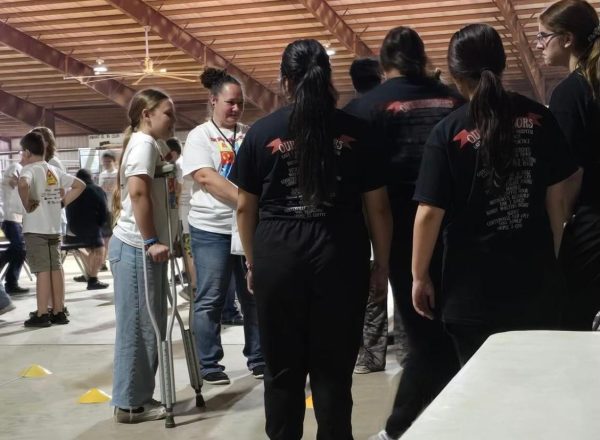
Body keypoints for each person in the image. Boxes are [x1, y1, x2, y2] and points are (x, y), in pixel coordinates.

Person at [231, 39, 392, 440]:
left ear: (286, 81)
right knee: (333, 371)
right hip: (340, 255)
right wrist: (382, 266)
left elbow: (244, 209)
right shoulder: (357, 132)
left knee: (282, 370)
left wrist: (254, 263)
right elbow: (379, 209)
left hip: (277, 255)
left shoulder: (261, 133)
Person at [412, 24, 579, 367]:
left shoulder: (448, 131)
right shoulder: (540, 118)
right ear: (501, 66)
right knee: (535, 388)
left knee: (481, 398)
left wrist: (419, 276)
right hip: (536, 287)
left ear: (456, 75)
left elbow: (429, 212)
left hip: (471, 294)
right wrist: (552, 254)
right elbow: (557, 199)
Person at [344, 27, 463, 440]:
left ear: (383, 62)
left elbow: (357, 183)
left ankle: (399, 427)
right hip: (460, 231)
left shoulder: (366, 109)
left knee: (426, 337)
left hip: (400, 232)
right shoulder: (455, 100)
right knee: (451, 331)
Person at [181, 67, 264, 385]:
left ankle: (258, 357)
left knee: (253, 295)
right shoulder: (199, 136)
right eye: (230, 102)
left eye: (240, 103)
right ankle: (209, 362)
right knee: (210, 296)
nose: (235, 109)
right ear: (213, 101)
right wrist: (249, 203)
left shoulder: (249, 134)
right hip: (210, 228)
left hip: (246, 228)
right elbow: (206, 178)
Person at [109, 88, 177, 423]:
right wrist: (151, 240)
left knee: (150, 326)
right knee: (138, 326)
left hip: (143, 249)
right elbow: (137, 192)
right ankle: (128, 405)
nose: (173, 120)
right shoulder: (144, 143)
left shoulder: (152, 144)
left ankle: (137, 396)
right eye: (168, 113)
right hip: (136, 247)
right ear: (146, 114)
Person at [537, 0, 600, 329]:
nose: (539, 44)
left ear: (567, 39)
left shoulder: (570, 94)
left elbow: (567, 179)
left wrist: (556, 240)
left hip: (591, 223)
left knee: (573, 324)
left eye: (543, 36)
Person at [341, 57, 389, 376]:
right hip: (399, 198)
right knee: (396, 271)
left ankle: (369, 351)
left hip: (358, 203)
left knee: (366, 280)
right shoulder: (392, 105)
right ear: (380, 76)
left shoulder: (348, 116)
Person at [18, 131, 85, 327]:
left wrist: (28, 203)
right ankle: (58, 311)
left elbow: (23, 184)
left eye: (22, 152)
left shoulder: (29, 169)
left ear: (28, 153)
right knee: (56, 268)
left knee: (42, 271)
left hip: (35, 229)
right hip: (54, 229)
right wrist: (63, 202)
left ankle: (41, 314)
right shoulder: (53, 170)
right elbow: (80, 185)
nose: (21, 157)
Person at [64, 169, 109, 290]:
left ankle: (88, 274)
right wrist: (100, 224)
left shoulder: (72, 191)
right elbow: (104, 211)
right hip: (90, 228)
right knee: (100, 249)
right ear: (91, 178)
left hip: (72, 231)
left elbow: (66, 209)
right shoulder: (96, 189)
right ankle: (93, 280)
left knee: (86, 248)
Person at [1, 160, 29, 294]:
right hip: (10, 218)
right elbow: (12, 182)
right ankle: (11, 283)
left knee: (21, 250)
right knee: (19, 247)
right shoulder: (16, 167)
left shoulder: (26, 172)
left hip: (17, 219)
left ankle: (11, 283)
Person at [98, 150, 118, 271]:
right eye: (104, 161)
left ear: (114, 161)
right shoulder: (102, 175)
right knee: (105, 237)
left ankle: (114, 258)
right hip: (105, 209)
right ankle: (103, 262)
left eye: (109, 161)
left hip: (115, 209)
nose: (106, 163)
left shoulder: (117, 174)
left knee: (114, 236)